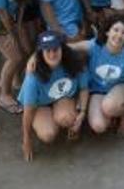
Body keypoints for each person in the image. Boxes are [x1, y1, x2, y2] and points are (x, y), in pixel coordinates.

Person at [19, 30, 89, 161]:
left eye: (55, 49)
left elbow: (84, 89)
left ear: (62, 48)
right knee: (48, 135)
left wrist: (82, 113)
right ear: (41, 53)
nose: (52, 54)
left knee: (67, 118)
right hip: (39, 105)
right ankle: (46, 120)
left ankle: (63, 117)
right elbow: (28, 111)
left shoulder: (75, 62)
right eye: (47, 50)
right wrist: (26, 140)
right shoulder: (33, 75)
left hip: (62, 98)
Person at [70, 15, 124, 135]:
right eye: (115, 30)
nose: (118, 35)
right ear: (108, 31)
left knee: (109, 107)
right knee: (99, 126)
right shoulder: (95, 46)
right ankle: (112, 116)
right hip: (98, 91)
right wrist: (35, 56)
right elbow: (69, 47)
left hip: (121, 87)